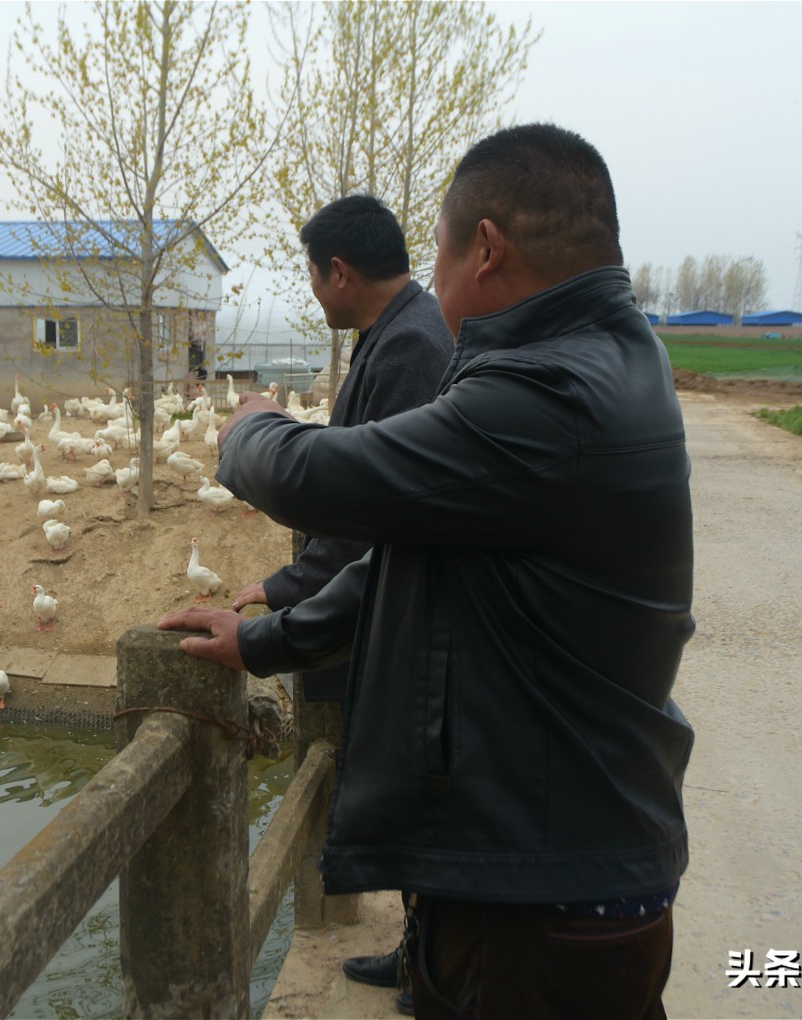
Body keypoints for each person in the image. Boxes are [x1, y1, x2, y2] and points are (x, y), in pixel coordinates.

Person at [160, 123, 695, 1019]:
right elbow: (405, 565)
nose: (431, 291)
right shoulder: (601, 361)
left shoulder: (548, 396)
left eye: (438, 262)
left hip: (544, 897)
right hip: (556, 866)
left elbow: (315, 477)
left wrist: (249, 425)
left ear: (485, 251)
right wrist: (261, 642)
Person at [230, 193, 452, 1014]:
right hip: (380, 596)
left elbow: (370, 506)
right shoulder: (395, 336)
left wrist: (290, 594)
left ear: (339, 271)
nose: (315, 293)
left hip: (395, 613)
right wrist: (287, 585)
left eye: (313, 276)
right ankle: (421, 949)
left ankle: (432, 965)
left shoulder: (410, 352)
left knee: (413, 787)